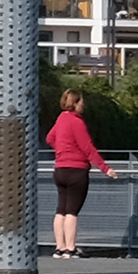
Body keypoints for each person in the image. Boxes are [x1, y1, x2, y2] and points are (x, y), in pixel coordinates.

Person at [44, 98, 103, 258]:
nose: (83, 104)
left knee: (61, 209)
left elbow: (50, 138)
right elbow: (87, 147)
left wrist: (63, 150)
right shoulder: (77, 122)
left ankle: (59, 248)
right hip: (77, 170)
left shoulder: (61, 118)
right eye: (81, 102)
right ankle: (71, 248)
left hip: (60, 169)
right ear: (75, 103)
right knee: (72, 211)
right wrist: (105, 168)